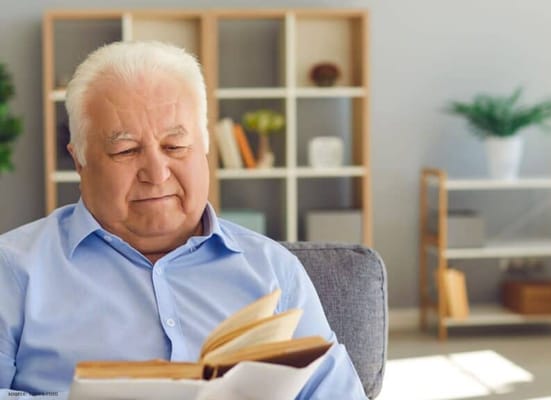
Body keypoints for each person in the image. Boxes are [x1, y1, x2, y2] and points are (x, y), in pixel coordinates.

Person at [0, 41, 366, 399]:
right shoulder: (13, 270)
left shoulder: (275, 271)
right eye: (125, 150)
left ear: (205, 145)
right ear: (79, 160)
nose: (157, 173)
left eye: (175, 146)